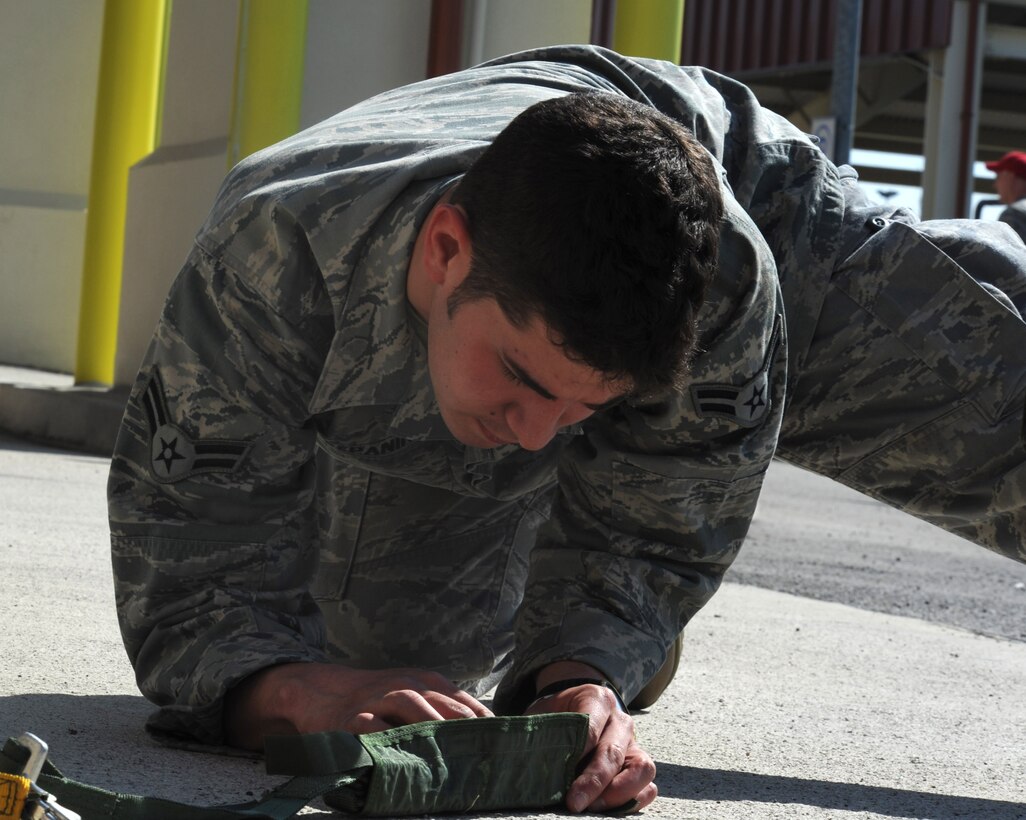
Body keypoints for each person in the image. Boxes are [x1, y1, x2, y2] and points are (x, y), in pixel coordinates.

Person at [108, 45, 1026, 814]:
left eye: (590, 406)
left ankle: (985, 265)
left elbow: (660, 518)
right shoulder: (273, 254)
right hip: (533, 193)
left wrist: (585, 675)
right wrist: (288, 689)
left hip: (775, 231)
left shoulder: (727, 288)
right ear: (445, 249)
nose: (540, 435)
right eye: (518, 375)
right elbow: (191, 563)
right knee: (389, 686)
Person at [986, 149, 1026, 243]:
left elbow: (1013, 256)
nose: (995, 184)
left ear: (1010, 176)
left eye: (998, 177)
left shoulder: (1015, 213)